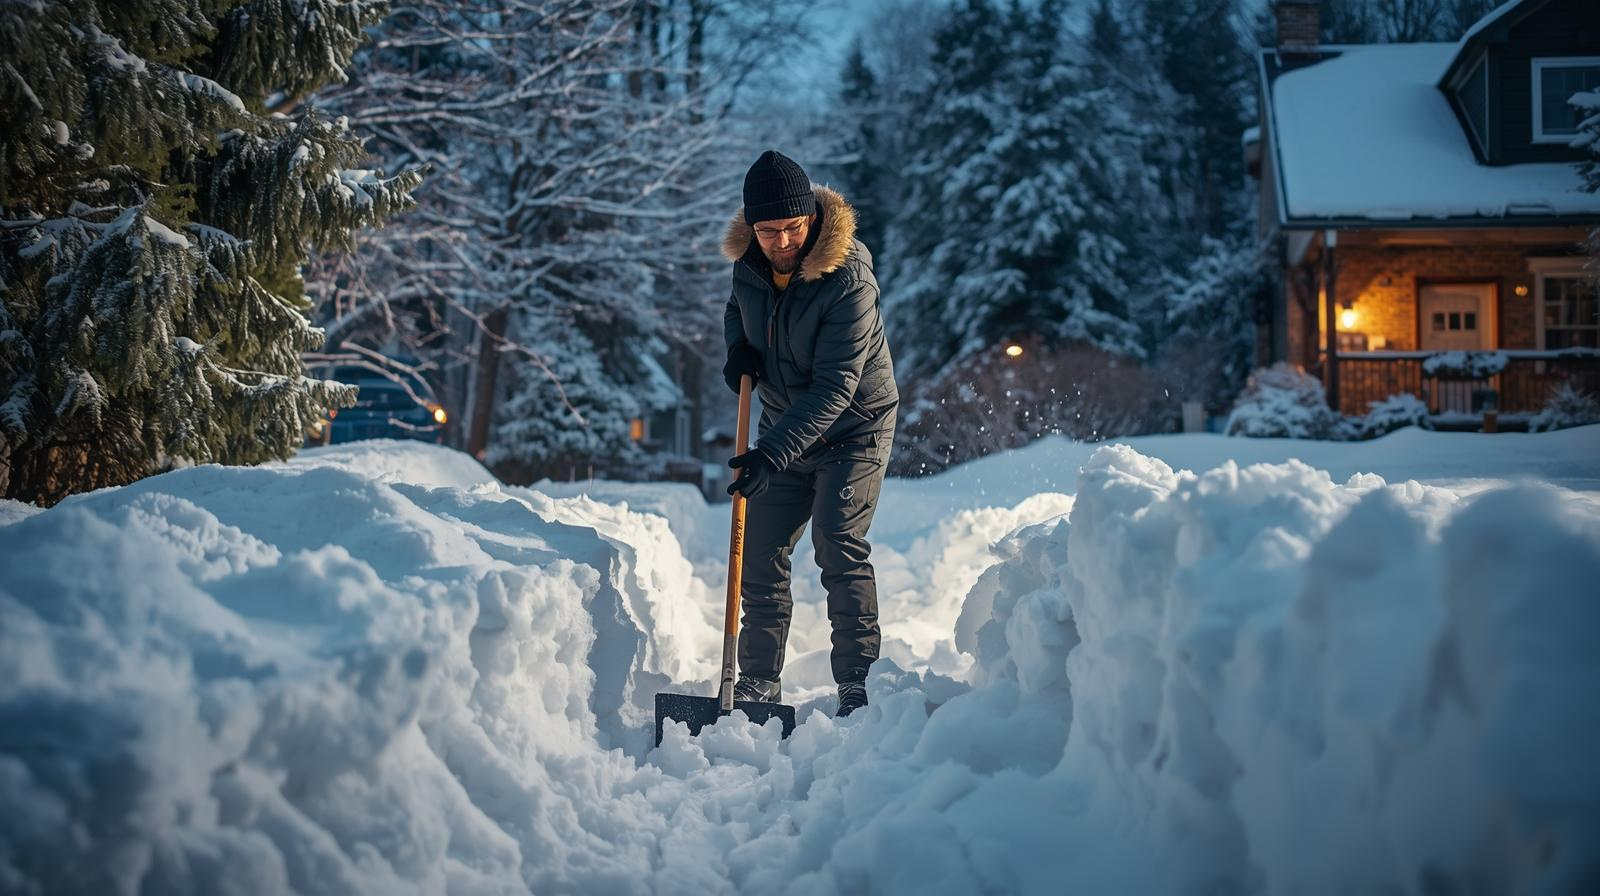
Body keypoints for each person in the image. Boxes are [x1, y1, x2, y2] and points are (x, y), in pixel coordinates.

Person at [719, 150, 897, 718]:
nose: (781, 242)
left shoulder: (848, 275)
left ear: (810, 220)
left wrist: (771, 452)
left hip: (853, 428)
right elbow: (737, 309)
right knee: (761, 548)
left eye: (792, 228)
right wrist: (738, 352)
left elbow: (836, 386)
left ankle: (857, 682)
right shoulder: (748, 262)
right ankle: (756, 684)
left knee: (836, 540)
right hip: (782, 424)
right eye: (768, 231)